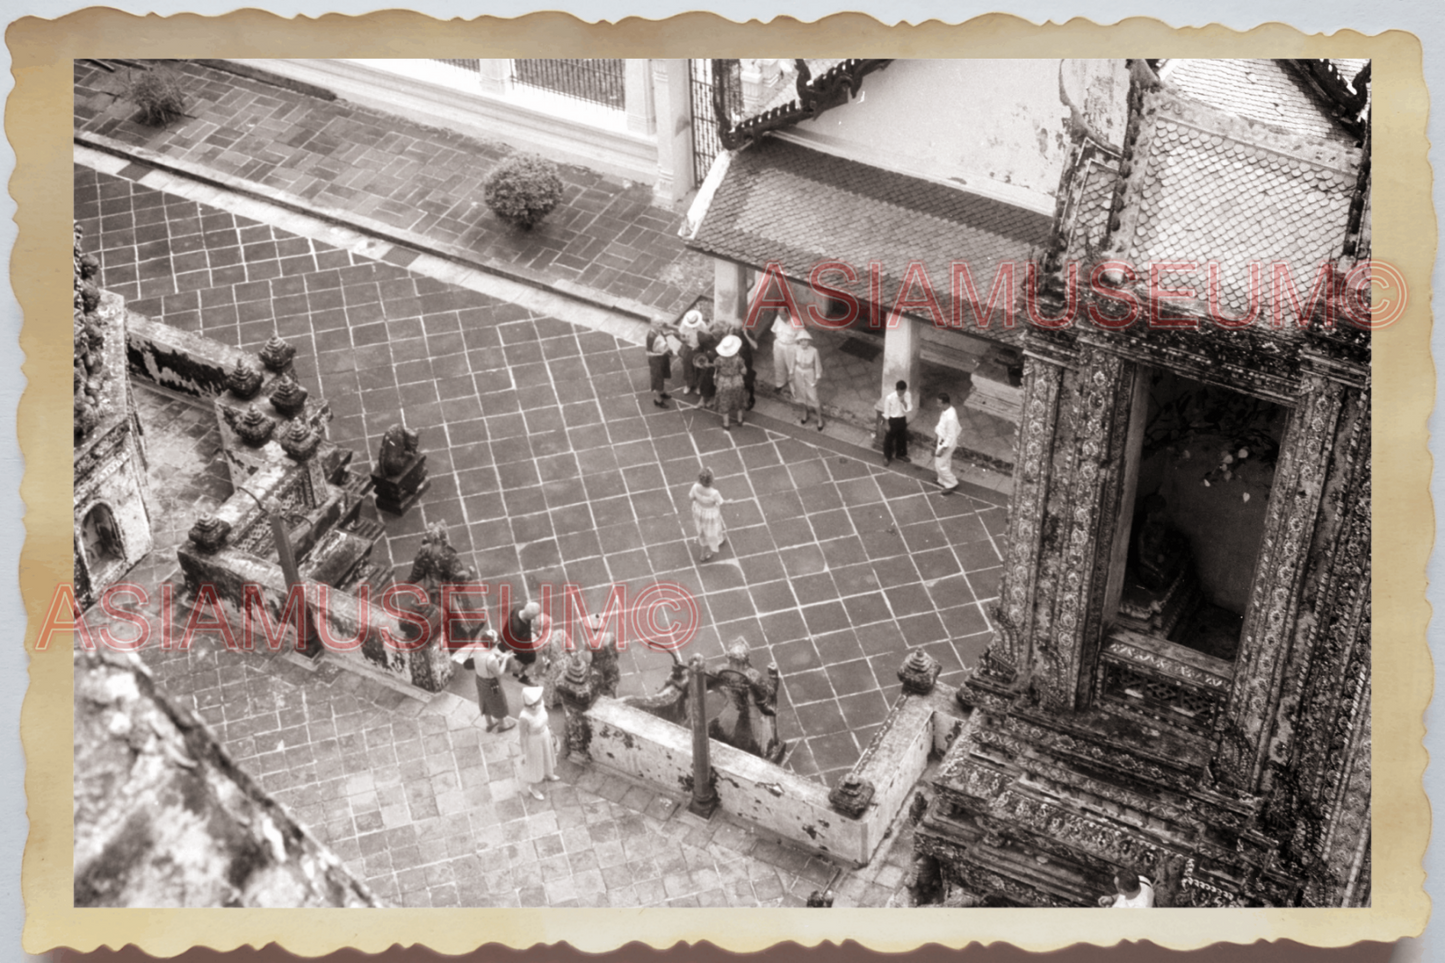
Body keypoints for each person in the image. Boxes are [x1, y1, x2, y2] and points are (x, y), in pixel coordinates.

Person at [517, 685, 560, 801]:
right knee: (535, 764)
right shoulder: (524, 717)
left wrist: (550, 732)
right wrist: (524, 753)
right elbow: (522, 736)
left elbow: (546, 720)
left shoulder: (541, 706)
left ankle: (549, 773)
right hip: (534, 741)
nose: (542, 698)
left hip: (545, 736)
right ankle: (533, 787)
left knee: (547, 756)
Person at [471, 631, 516, 732]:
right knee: (497, 701)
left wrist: (500, 656)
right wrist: (505, 659)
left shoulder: (477, 646)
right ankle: (502, 725)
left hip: (479, 680)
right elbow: (499, 673)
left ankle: (489, 723)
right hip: (492, 684)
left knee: (484, 700)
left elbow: (490, 653)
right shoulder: (491, 659)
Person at [502, 600, 545, 684]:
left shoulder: (519, 609)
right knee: (532, 660)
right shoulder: (518, 627)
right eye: (534, 616)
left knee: (519, 658)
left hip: (515, 641)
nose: (535, 618)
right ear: (530, 616)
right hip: (519, 645)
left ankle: (516, 672)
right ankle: (525, 678)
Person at [689, 468, 727, 562]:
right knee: (711, 532)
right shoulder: (714, 493)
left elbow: (691, 497)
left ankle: (718, 540)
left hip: (699, 511)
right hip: (710, 514)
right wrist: (729, 501)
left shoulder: (695, 487)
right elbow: (721, 502)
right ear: (712, 480)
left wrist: (700, 501)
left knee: (702, 531)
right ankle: (705, 553)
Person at [790, 328, 824, 430]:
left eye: (805, 340)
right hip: (798, 373)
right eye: (801, 340)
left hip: (809, 374)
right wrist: (791, 374)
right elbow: (792, 362)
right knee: (801, 394)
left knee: (813, 397)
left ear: (808, 341)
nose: (803, 342)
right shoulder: (795, 348)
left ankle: (819, 419)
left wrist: (817, 378)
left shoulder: (814, 351)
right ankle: (804, 412)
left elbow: (818, 366)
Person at [714, 334, 749, 430]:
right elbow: (744, 371)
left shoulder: (719, 359)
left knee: (724, 401)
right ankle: (739, 420)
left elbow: (716, 367)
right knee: (738, 400)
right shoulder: (739, 359)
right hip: (737, 381)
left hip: (724, 383)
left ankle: (726, 424)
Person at [676, 308, 709, 396]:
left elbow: (706, 336)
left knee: (700, 367)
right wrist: (684, 340)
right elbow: (681, 336)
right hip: (688, 348)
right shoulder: (684, 324)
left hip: (699, 348)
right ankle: (689, 384)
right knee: (687, 367)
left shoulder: (702, 325)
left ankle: (698, 385)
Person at [933, 392, 961, 494]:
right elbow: (941, 425)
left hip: (946, 443)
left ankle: (952, 483)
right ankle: (942, 481)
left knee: (939, 465)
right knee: (946, 462)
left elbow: (951, 436)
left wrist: (942, 448)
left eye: (939, 403)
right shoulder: (946, 410)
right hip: (942, 439)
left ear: (945, 403)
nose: (938, 405)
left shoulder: (950, 418)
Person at [881, 380, 912, 465]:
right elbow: (886, 412)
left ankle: (901, 454)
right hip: (892, 419)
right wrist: (886, 423)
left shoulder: (907, 395)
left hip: (901, 418)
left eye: (903, 391)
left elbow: (908, 408)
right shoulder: (889, 398)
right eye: (900, 391)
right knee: (889, 439)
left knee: (902, 437)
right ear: (897, 389)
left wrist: (903, 402)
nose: (901, 393)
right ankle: (887, 456)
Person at [770, 309, 800, 395]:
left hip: (791, 346)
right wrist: (775, 345)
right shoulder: (778, 319)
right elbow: (774, 331)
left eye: (783, 315)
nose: (782, 317)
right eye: (780, 314)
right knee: (778, 365)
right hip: (779, 345)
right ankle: (780, 384)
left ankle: (795, 389)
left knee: (792, 368)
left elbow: (800, 338)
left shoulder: (796, 322)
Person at [645, 319, 673, 408]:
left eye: (661, 323)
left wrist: (669, 333)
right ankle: (658, 399)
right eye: (657, 323)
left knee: (662, 375)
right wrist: (661, 353)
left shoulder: (658, 330)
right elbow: (648, 352)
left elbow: (663, 335)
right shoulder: (650, 336)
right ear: (652, 324)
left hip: (662, 357)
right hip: (656, 360)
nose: (660, 325)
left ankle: (661, 392)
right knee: (658, 379)